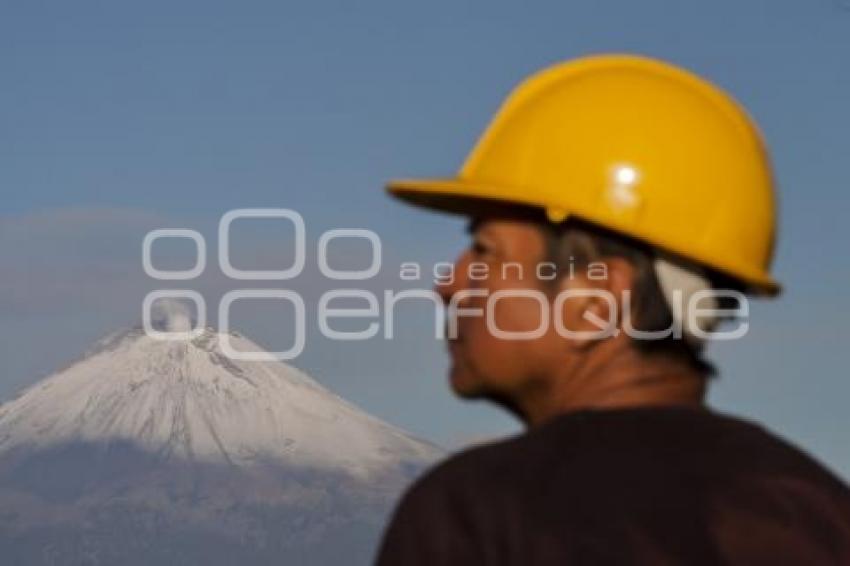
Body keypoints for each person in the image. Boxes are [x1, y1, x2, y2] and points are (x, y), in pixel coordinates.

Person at [375, 54, 850, 564]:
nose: (448, 285)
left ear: (594, 303)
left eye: (485, 253)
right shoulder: (819, 510)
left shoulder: (476, 515)